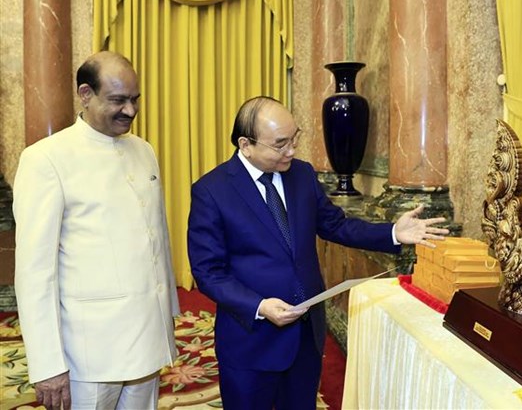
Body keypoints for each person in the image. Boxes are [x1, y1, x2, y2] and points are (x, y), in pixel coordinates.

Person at [187, 96, 450, 410]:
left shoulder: (302, 174)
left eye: (295, 138)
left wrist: (393, 232)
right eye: (280, 144)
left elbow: (336, 225)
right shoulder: (212, 191)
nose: (292, 150)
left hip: (305, 336)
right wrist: (259, 306)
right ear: (246, 144)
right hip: (251, 341)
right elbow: (208, 272)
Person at [13, 51, 179, 410]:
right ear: (85, 94)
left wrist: (168, 321)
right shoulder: (46, 159)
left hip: (148, 342)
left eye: (135, 100)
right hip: (88, 355)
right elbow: (34, 273)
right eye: (118, 100)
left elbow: (156, 241)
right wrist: (47, 365)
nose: (130, 111)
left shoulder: (144, 150)